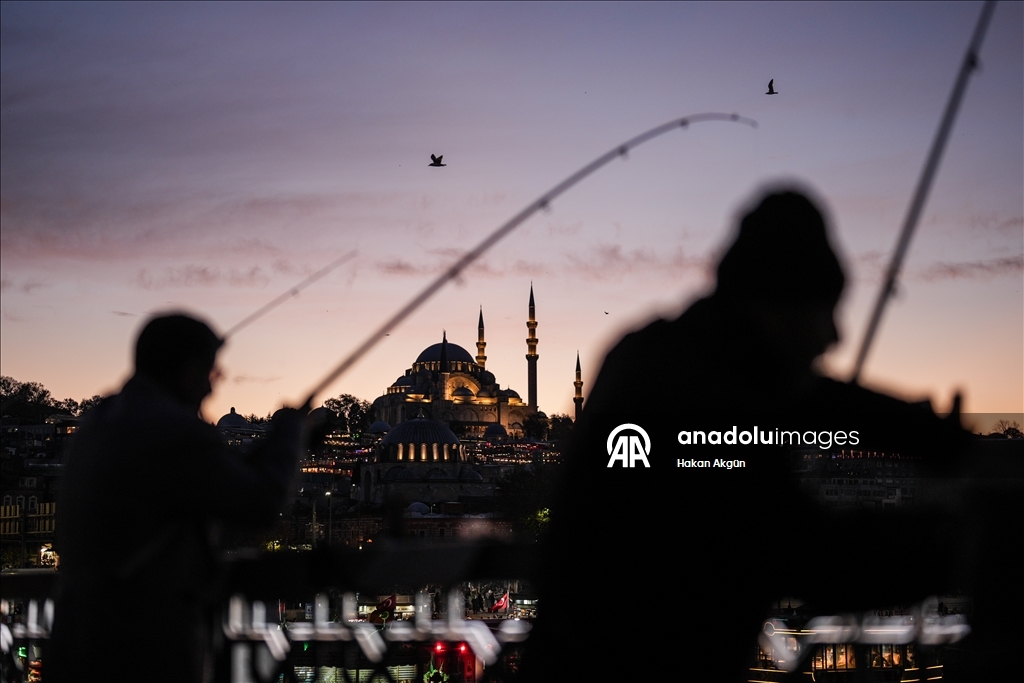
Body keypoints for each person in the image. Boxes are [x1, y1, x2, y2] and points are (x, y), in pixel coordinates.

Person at [527, 189, 969, 680]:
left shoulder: (661, 353)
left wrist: (914, 427)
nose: (834, 337)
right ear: (778, 309)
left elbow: (812, 400)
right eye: (823, 312)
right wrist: (955, 546)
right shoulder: (706, 399)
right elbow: (800, 548)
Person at [49, 313, 305, 683]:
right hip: (140, 645)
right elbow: (261, 503)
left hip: (76, 638)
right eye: (211, 374)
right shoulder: (174, 431)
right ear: (187, 373)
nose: (212, 388)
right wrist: (289, 432)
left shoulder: (99, 421)